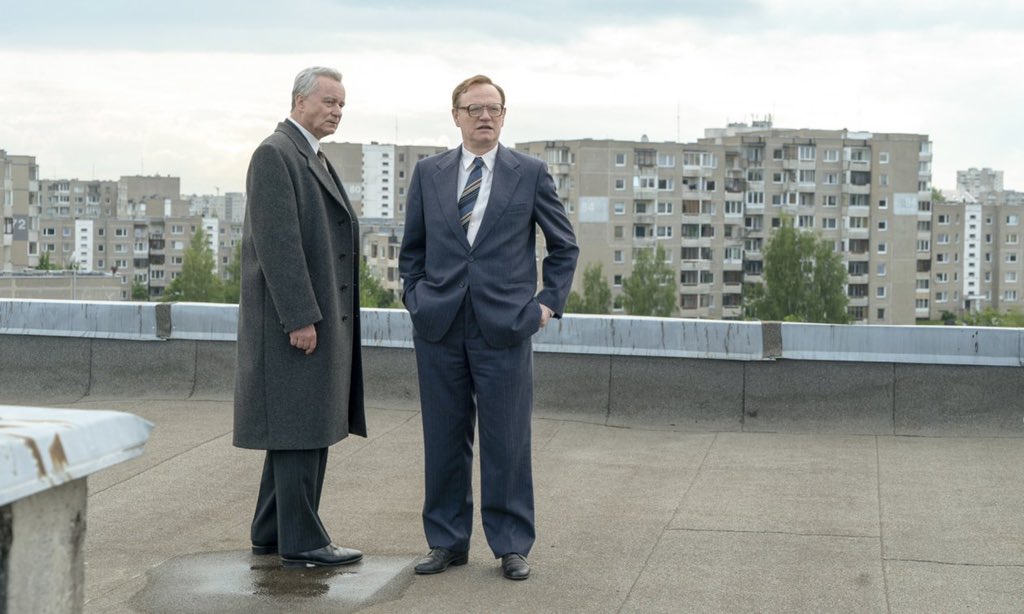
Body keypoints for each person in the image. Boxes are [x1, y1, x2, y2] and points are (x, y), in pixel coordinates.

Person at [399, 74, 579, 581]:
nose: (484, 116)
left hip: (504, 326)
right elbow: (412, 250)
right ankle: (446, 542)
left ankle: (512, 546)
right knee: (443, 439)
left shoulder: (530, 172)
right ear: (456, 115)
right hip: (439, 326)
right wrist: (415, 298)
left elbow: (563, 246)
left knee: (507, 442)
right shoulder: (429, 173)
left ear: (504, 116)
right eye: (474, 108)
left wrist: (546, 305)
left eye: (493, 108)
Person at [233, 66, 366, 568]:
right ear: (299, 101)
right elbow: (278, 245)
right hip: (294, 325)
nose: (337, 111)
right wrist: (300, 318)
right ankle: (303, 541)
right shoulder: (276, 153)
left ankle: (270, 531)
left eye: (342, 104)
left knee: (300, 425)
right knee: (299, 430)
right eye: (329, 101)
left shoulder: (308, 154)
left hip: (310, 319)